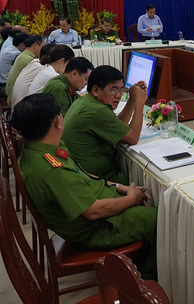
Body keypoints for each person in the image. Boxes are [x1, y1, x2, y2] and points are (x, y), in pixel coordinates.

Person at [13, 93, 157, 280]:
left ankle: (139, 261)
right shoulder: (51, 169)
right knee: (159, 219)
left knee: (141, 204)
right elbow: (93, 211)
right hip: (96, 228)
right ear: (58, 121)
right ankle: (145, 281)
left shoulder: (37, 151)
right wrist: (131, 199)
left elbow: (84, 175)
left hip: (95, 208)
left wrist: (121, 189)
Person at [62, 65, 147, 184]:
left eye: (120, 89)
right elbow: (132, 138)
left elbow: (119, 125)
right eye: (113, 89)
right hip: (94, 179)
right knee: (142, 186)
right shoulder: (97, 110)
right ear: (96, 90)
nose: (118, 95)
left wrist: (132, 99)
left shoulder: (86, 100)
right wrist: (140, 104)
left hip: (81, 171)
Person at [6, 35, 45, 105]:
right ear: (35, 45)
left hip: (13, 95)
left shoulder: (23, 55)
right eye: (43, 47)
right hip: (17, 100)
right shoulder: (29, 60)